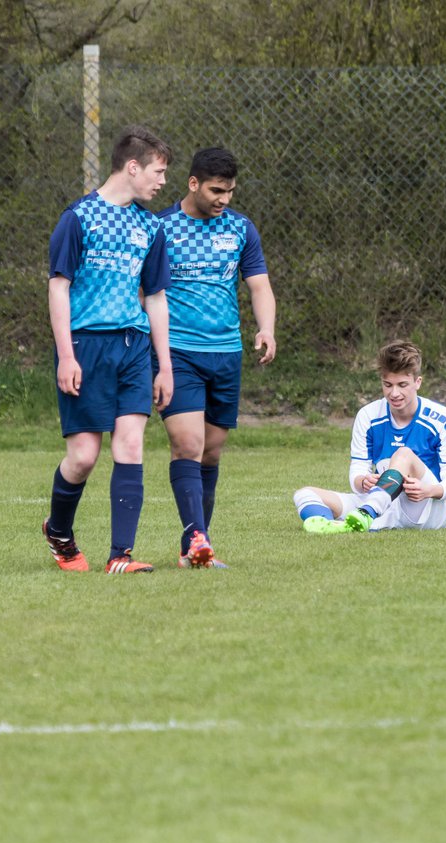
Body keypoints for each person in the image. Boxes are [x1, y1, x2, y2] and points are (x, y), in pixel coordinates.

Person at [41, 125, 175, 575]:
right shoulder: (78, 218)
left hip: (134, 348)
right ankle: (58, 531)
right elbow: (59, 288)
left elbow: (155, 298)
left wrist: (166, 366)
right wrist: (66, 355)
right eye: (157, 172)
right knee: (82, 457)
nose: (162, 182)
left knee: (131, 446)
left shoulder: (151, 227)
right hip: (86, 347)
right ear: (132, 167)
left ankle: (121, 555)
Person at [156, 147, 277, 568]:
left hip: (226, 353)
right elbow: (144, 292)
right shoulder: (162, 229)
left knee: (211, 452)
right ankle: (197, 540)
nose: (224, 198)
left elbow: (258, 286)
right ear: (193, 184)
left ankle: (195, 549)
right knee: (187, 444)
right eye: (216, 190)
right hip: (177, 352)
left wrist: (266, 328)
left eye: (229, 191)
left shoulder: (241, 229)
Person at [294, 340, 446, 534]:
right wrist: (362, 481)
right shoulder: (368, 416)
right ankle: (331, 525)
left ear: (418, 382)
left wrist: (429, 491)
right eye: (387, 385)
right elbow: (357, 472)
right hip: (385, 502)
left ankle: (367, 513)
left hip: (429, 505)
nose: (394, 393)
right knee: (305, 494)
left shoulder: (440, 419)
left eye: (402, 385)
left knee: (404, 455)